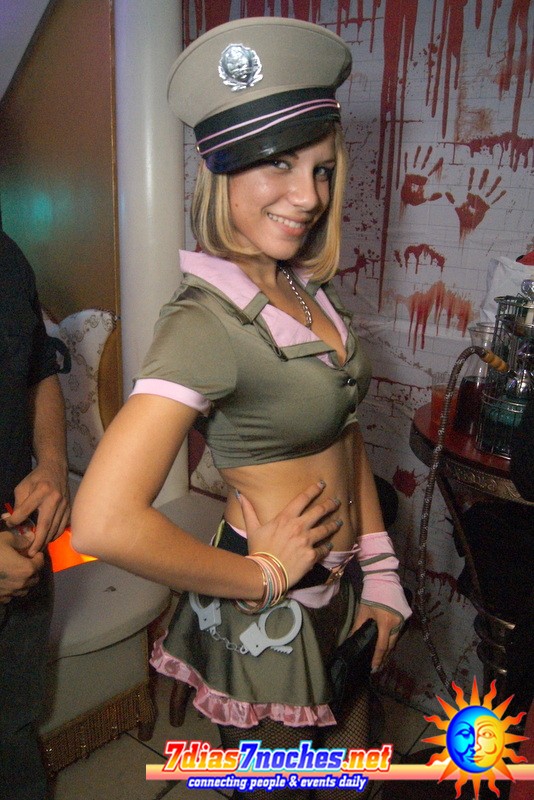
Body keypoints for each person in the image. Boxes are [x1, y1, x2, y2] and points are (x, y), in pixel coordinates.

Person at [71, 17, 411, 798]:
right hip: (272, 617)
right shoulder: (204, 322)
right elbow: (102, 521)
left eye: (322, 169)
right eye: (279, 163)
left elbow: (344, 428)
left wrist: (382, 567)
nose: (309, 195)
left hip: (340, 588)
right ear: (220, 167)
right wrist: (259, 575)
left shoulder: (302, 288)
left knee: (349, 774)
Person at [0, 231, 70, 800]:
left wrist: (51, 463)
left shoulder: (7, 254)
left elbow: (38, 367)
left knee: (15, 727)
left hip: (21, 540)